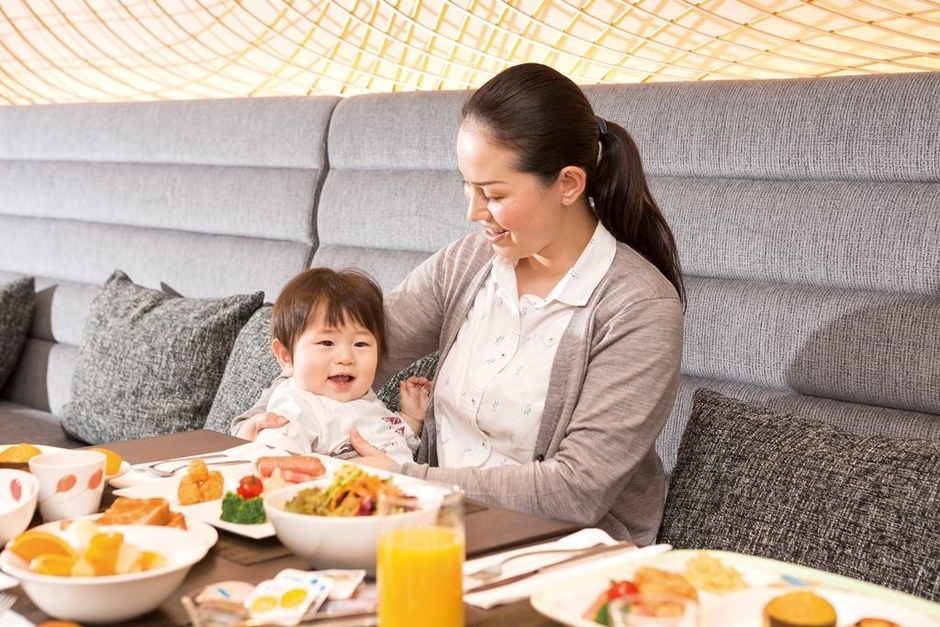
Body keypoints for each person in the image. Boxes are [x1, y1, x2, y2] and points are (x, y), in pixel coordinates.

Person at [234, 63, 684, 546]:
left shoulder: (640, 308)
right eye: (467, 186)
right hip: (436, 525)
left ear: (569, 184)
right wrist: (263, 421)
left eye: (493, 194)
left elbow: (575, 491)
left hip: (564, 548)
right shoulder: (468, 263)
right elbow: (355, 349)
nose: (473, 211)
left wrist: (402, 479)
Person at [253, 267, 431, 463]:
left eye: (360, 344)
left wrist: (411, 417)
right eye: (327, 343)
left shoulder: (365, 398)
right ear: (286, 356)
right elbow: (277, 467)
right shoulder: (296, 408)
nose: (346, 357)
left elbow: (388, 440)